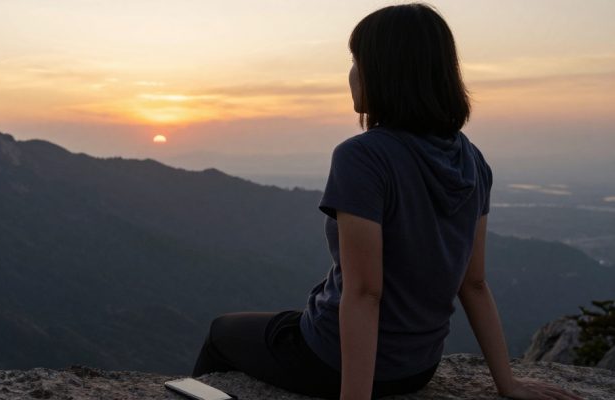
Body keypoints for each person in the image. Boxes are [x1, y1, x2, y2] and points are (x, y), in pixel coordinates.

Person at [191, 3, 583, 400]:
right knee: (285, 321)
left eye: (356, 60)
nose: (351, 73)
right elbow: (475, 283)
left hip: (333, 361)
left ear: (384, 72)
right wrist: (508, 384)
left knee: (221, 331)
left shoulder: (363, 157)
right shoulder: (471, 159)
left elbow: (365, 293)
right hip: (418, 367)